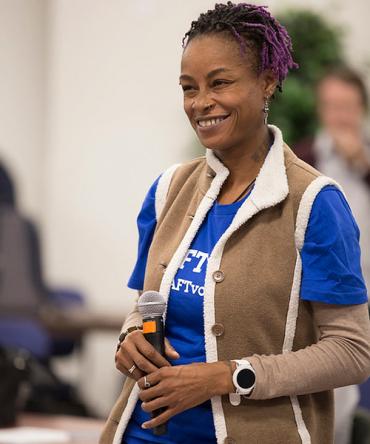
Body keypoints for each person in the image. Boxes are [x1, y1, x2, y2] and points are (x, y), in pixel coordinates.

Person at [100, 3, 370, 444]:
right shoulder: (168, 190)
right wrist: (131, 335)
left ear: (267, 82)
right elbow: (144, 306)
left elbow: (352, 352)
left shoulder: (315, 203)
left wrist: (228, 377)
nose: (201, 102)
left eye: (220, 83)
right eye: (189, 87)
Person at [294, 66, 370, 444]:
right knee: (332, 401)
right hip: (324, 301)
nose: (340, 115)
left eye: (348, 106)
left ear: (362, 109)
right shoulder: (304, 157)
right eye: (332, 106)